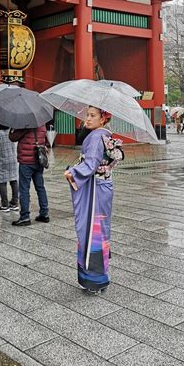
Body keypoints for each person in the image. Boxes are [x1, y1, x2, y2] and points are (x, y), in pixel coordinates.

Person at [64, 107, 123, 295]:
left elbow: (90, 164)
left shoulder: (97, 137)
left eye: (92, 116)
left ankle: (94, 280)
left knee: (91, 229)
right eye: (87, 115)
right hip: (102, 186)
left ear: (103, 119)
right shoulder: (104, 136)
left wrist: (72, 173)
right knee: (99, 228)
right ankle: (98, 276)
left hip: (95, 188)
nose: (87, 119)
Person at [9, 124, 49, 226]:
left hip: (26, 162)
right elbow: (45, 140)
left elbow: (12, 138)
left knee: (24, 190)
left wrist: (12, 128)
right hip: (39, 160)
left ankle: (25, 217)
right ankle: (44, 214)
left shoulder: (24, 124)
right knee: (40, 188)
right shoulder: (42, 124)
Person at [0, 124, 19, 212]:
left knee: (2, 182)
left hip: (1, 161)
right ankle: (15, 202)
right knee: (14, 180)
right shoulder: (12, 132)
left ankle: (5, 204)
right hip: (12, 159)